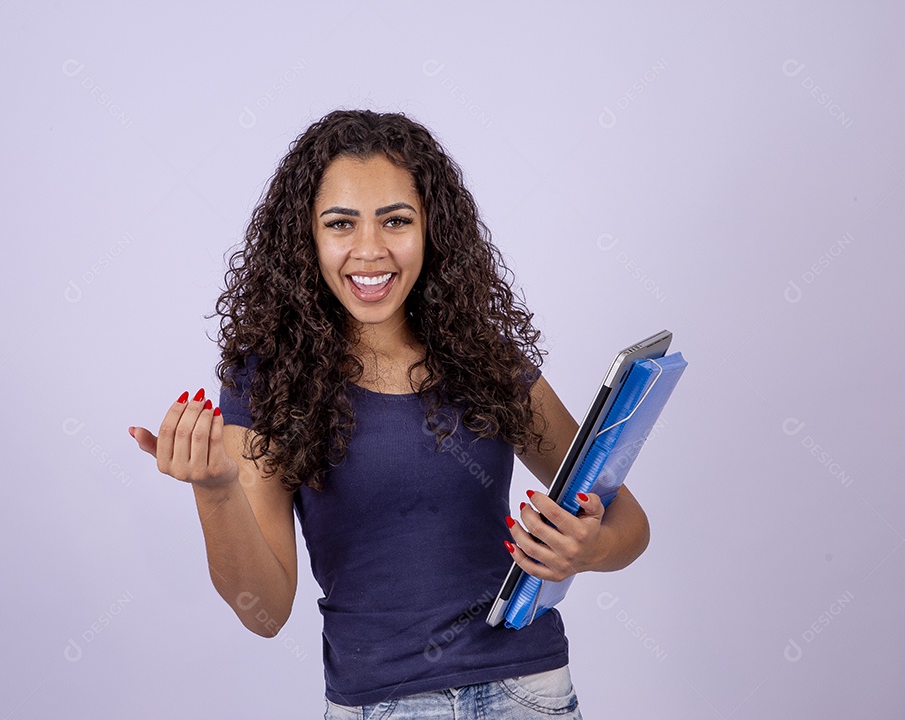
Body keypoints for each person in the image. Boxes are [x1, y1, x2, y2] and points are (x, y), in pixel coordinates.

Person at [128, 109, 650, 719]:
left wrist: (588, 548)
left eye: (395, 220)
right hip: (384, 704)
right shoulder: (269, 382)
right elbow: (264, 612)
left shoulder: (485, 359)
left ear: (432, 230)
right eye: (341, 224)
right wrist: (216, 492)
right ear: (307, 238)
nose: (370, 250)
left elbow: (630, 522)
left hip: (530, 689)